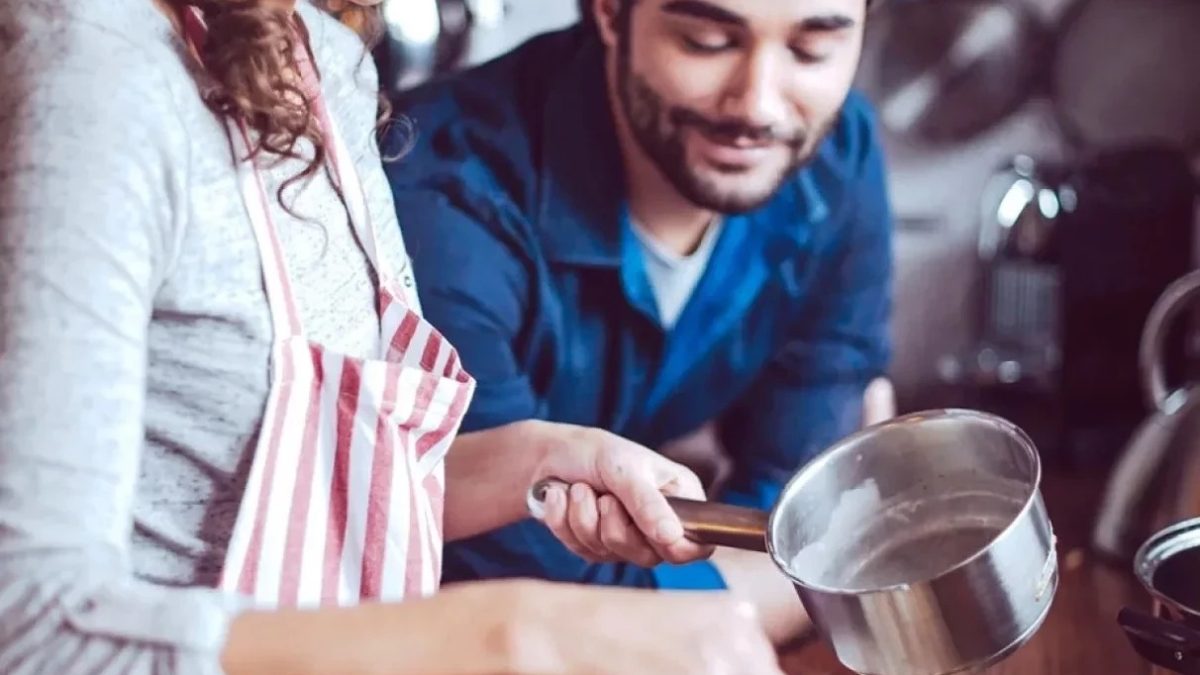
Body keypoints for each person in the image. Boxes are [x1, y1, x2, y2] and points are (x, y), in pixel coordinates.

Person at [0, 1, 786, 673]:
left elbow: (330, 487)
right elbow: (32, 627)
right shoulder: (96, 84)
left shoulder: (320, 58)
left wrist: (541, 459)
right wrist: (511, 633)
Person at [383, 0, 894, 643]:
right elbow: (535, 605)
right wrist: (824, 579)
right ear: (608, 13)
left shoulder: (835, 153)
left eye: (812, 50)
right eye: (707, 42)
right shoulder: (438, 205)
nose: (757, 106)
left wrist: (809, 550)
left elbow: (799, 490)